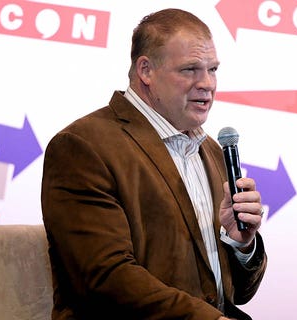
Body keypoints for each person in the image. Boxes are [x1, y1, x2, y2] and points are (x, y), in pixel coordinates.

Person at [41, 8, 267, 320]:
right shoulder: (83, 146)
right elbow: (105, 280)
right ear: (146, 70)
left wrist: (241, 243)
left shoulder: (211, 151)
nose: (207, 84)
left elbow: (238, 294)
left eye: (212, 69)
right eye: (190, 70)